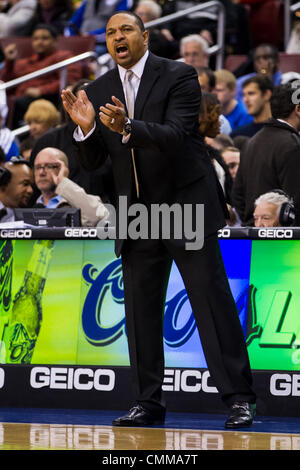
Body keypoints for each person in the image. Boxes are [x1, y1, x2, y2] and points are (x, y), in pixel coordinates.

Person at [62, 10, 256, 429]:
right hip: (136, 212)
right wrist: (85, 132)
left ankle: (240, 398)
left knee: (211, 303)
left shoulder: (178, 75)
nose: (118, 37)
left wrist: (129, 126)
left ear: (145, 37)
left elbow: (175, 134)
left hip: (183, 203)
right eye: (111, 32)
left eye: (126, 29)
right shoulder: (98, 88)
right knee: (141, 311)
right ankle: (148, 402)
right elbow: (95, 164)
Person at [232, 83, 300, 226]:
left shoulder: (251, 142)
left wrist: (254, 224)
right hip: (283, 243)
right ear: (298, 109)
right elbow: (296, 200)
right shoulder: (292, 145)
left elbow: (237, 196)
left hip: (253, 237)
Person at [1, 23, 82, 128]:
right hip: (20, 98)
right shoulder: (27, 61)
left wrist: (41, 90)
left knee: (17, 104)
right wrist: (10, 61)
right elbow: (7, 84)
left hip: (48, 99)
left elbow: (69, 81)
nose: (39, 42)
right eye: (35, 39)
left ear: (55, 41)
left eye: (45, 38)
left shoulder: (64, 57)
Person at [33, 146, 109, 226]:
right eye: (38, 167)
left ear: (63, 169)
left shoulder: (83, 204)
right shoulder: (31, 207)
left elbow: (98, 218)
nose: (41, 172)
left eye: (49, 166)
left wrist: (63, 182)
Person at [0, 158, 34, 223]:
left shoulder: (29, 220)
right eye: (25, 184)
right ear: (5, 183)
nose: (31, 190)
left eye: (31, 186)